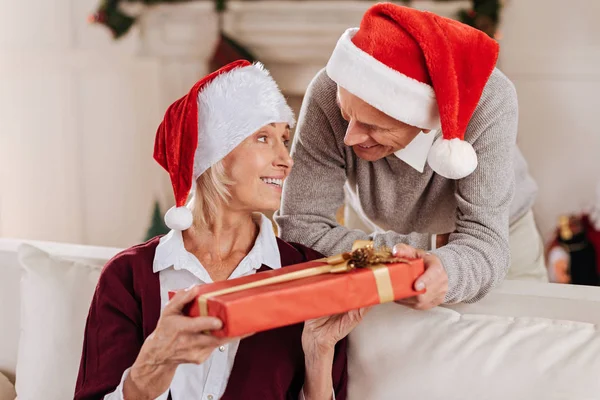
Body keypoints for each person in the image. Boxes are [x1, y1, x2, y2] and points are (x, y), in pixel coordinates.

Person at [74, 60, 364, 400]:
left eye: (284, 139)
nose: (286, 160)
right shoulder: (128, 277)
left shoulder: (308, 274)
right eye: (262, 138)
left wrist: (318, 355)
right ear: (214, 152)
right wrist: (152, 366)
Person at [275, 3, 547, 310]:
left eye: (372, 126)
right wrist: (416, 251)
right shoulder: (329, 88)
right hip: (369, 230)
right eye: (346, 114)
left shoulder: (490, 101)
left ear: (424, 120)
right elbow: (300, 229)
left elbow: (484, 241)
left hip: (499, 236)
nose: (349, 138)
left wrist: (443, 268)